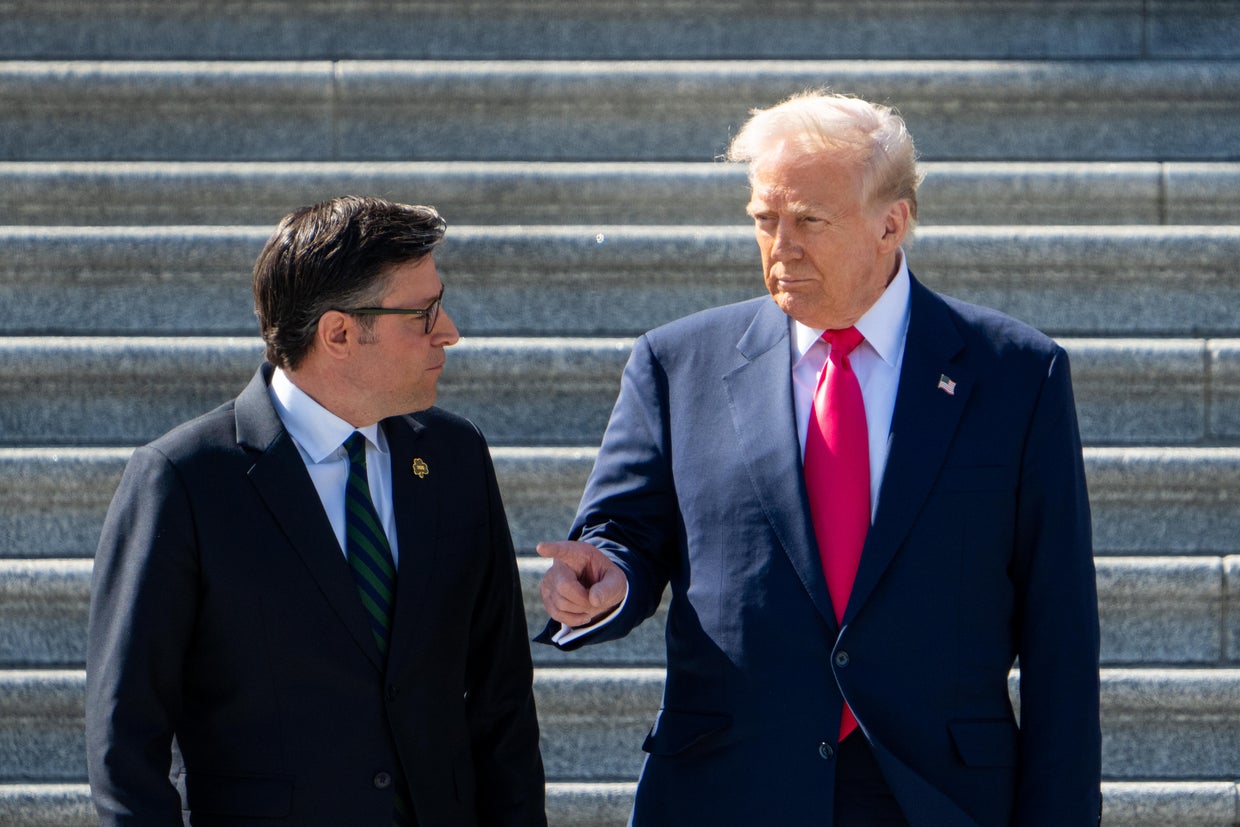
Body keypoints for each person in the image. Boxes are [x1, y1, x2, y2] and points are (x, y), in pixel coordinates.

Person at [537, 92, 1101, 826]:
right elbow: (624, 535)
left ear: (891, 224)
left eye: (809, 221)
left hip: (936, 794)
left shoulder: (1016, 374)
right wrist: (607, 579)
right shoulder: (677, 364)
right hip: (729, 790)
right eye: (765, 220)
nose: (781, 246)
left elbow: (1061, 637)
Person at [87, 196, 546, 826]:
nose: (450, 331)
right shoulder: (185, 479)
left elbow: (502, 703)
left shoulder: (454, 456)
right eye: (424, 313)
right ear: (337, 334)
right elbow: (125, 742)